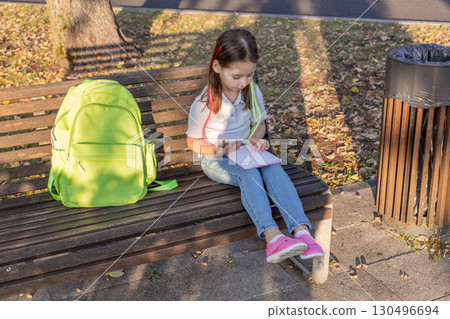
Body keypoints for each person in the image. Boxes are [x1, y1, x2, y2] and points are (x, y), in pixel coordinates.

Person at [186, 29, 324, 263]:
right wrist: (217, 150)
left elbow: (259, 123)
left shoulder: (252, 92)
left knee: (274, 170)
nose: (244, 82)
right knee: (250, 176)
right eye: (237, 76)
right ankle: (273, 239)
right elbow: (192, 142)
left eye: (250, 75)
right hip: (215, 157)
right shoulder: (204, 102)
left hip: (246, 151)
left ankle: (302, 233)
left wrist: (258, 138)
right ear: (218, 67)